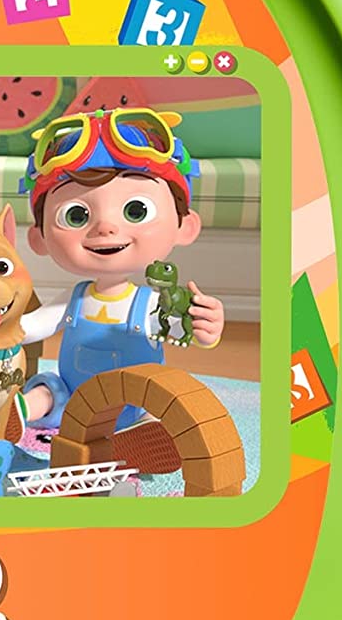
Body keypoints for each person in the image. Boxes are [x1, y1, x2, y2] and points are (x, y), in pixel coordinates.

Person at [12, 106, 225, 427]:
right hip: (75, 401)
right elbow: (32, 326)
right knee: (46, 390)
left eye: (135, 210)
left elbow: (181, 329)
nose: (105, 227)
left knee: (160, 403)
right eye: (76, 216)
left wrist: (206, 327)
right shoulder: (75, 299)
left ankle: (149, 435)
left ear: (185, 226)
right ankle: (16, 414)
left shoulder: (152, 303)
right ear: (39, 238)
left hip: (135, 402)